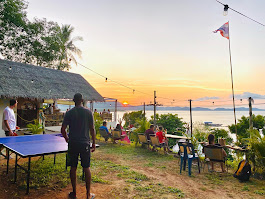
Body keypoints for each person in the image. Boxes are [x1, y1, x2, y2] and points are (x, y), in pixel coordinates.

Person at [61, 93, 96, 199]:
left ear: (73, 101)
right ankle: (88, 194)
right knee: (86, 168)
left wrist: (68, 140)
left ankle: (74, 193)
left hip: (73, 143)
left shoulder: (69, 113)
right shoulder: (88, 112)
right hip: (85, 143)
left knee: (73, 167)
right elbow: (92, 129)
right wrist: (93, 142)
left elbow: (63, 130)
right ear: (82, 100)